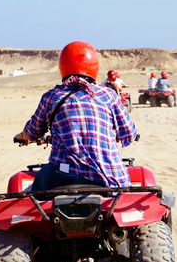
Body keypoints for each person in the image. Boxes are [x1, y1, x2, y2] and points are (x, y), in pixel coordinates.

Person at [14, 41, 138, 191]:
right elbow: (129, 133)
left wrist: (23, 137)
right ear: (94, 67)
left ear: (63, 66)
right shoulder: (108, 95)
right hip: (107, 177)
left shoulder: (52, 97)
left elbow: (33, 131)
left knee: (33, 191)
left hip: (63, 174)